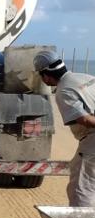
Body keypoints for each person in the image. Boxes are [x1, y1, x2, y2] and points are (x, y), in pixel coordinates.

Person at [34, 50, 95, 207]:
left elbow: (85, 120)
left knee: (80, 190)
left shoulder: (64, 90)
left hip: (92, 141)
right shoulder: (86, 77)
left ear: (46, 75)